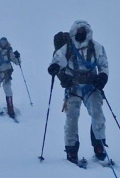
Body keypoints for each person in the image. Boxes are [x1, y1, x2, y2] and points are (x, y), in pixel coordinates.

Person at [47, 20, 110, 165]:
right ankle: (71, 149)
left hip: (91, 86)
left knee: (97, 113)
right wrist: (54, 67)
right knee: (72, 118)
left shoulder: (96, 47)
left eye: (83, 30)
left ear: (88, 32)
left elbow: (103, 64)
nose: (81, 33)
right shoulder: (67, 47)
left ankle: (99, 145)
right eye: (78, 30)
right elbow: (57, 59)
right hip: (73, 87)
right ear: (74, 31)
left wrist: (103, 76)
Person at [0, 37, 21, 118]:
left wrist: (18, 57)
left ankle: (10, 109)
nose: (3, 43)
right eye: (2, 42)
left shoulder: (10, 52)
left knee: (8, 91)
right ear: (0, 42)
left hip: (6, 74)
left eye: (4, 42)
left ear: (6, 43)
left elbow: (17, 62)